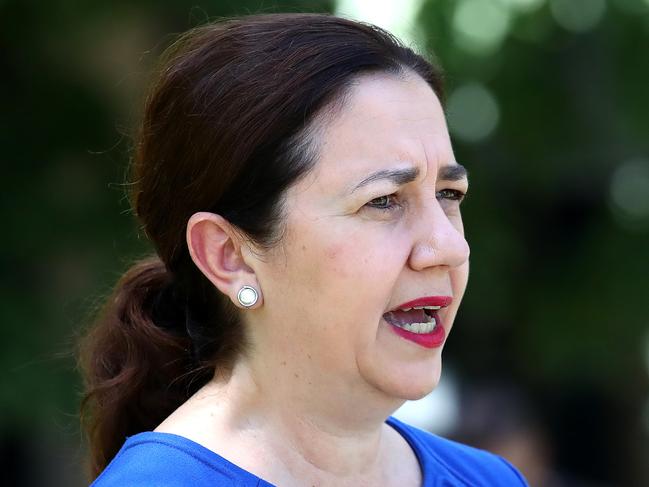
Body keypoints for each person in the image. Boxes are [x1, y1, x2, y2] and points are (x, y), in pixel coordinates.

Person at [79, 13, 529, 486]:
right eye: (383, 201)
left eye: (448, 195)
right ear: (228, 256)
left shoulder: (488, 479)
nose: (449, 246)